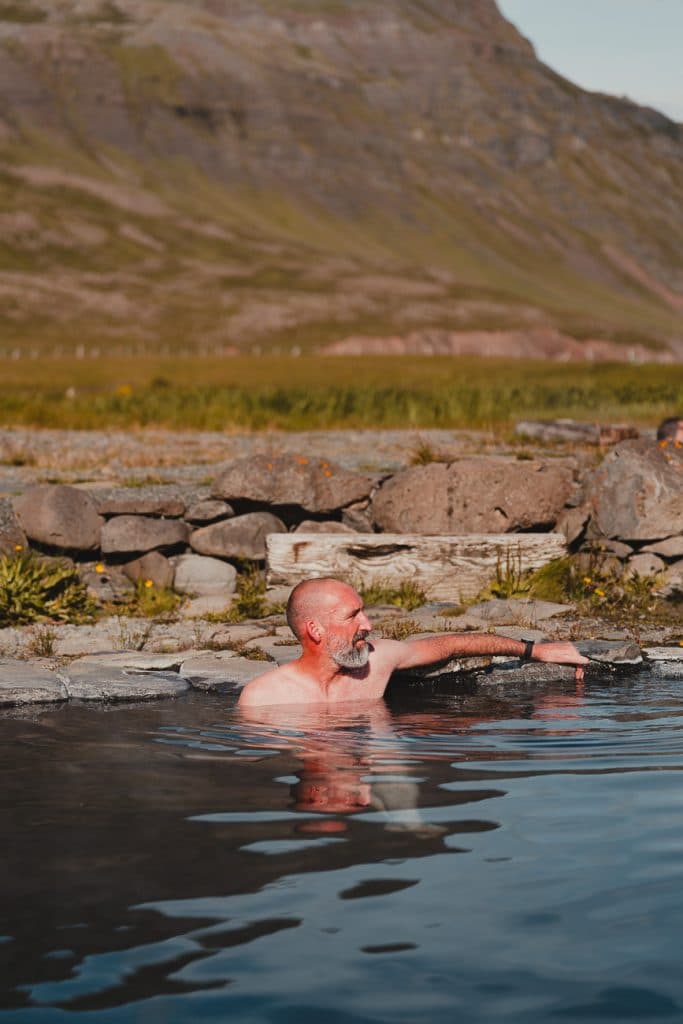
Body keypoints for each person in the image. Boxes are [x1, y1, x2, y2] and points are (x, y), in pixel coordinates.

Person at [238, 577, 589, 708]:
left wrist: (534, 650)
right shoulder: (264, 699)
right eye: (352, 615)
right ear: (315, 630)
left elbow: (451, 645)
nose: (367, 625)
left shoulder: (377, 661)